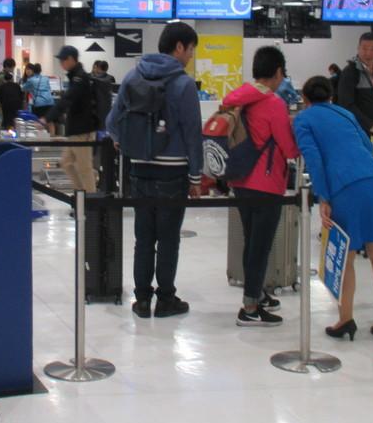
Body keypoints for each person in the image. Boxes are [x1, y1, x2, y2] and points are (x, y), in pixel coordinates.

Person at [105, 22, 203, 320]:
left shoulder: (133, 76)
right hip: (173, 173)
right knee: (169, 239)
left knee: (144, 238)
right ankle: (166, 299)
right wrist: (196, 177)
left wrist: (123, 142)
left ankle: (142, 300)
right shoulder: (184, 84)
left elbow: (111, 122)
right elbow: (192, 134)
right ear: (179, 47)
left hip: (139, 169)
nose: (190, 56)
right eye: (190, 50)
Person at [293, 75, 373, 341]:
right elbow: (366, 144)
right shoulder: (345, 113)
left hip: (344, 187)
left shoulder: (304, 120)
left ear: (305, 98)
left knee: (345, 255)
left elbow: (314, 158)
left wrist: (323, 197)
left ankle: (346, 319)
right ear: (331, 96)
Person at [223, 46, 299, 327]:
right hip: (266, 183)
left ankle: (256, 293)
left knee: (251, 241)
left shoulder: (239, 97)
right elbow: (288, 148)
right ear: (278, 72)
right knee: (260, 246)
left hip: (240, 178)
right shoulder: (274, 104)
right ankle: (250, 308)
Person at [49, 46, 99, 194]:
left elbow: (67, 99)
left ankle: (90, 202)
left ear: (71, 59)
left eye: (63, 60)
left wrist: (48, 117)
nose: (61, 64)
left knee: (84, 168)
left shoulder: (80, 78)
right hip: (74, 131)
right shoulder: (74, 77)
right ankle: (81, 195)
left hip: (82, 131)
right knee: (66, 163)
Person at [336, 32, 373, 144]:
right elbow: (346, 105)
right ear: (358, 48)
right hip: (357, 136)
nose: (368, 53)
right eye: (364, 48)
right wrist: (370, 125)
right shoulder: (350, 72)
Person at [0, 59, 24, 132]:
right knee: (4, 120)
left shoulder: (4, 76)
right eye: (12, 68)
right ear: (6, 67)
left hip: (5, 102)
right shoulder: (1, 77)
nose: (12, 70)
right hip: (3, 103)